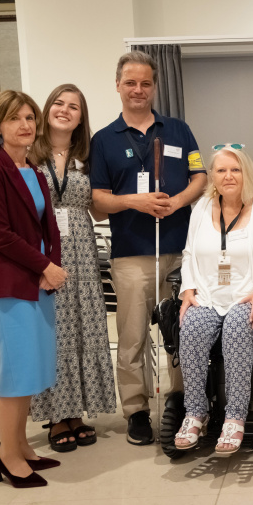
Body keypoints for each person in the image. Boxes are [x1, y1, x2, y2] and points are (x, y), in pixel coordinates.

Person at [0, 85, 118, 452]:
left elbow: (97, 205)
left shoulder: (88, 155)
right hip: (35, 258)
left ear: (82, 117)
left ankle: (77, 410)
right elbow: (5, 213)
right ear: (48, 109)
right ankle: (54, 415)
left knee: (83, 330)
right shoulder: (23, 156)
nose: (65, 111)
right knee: (52, 337)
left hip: (79, 250)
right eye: (58, 104)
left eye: (74, 106)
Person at [90, 51, 207, 445]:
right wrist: (133, 202)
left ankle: (181, 402)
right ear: (118, 86)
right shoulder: (104, 140)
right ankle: (137, 411)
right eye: (130, 83)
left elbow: (200, 176)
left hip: (179, 252)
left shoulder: (177, 130)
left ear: (154, 87)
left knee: (182, 331)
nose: (138, 90)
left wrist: (177, 202)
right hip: (131, 254)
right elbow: (97, 202)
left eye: (145, 83)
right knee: (133, 338)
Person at [0, 90, 67, 488]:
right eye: (14, 119)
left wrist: (52, 268)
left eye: (29, 117)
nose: (25, 125)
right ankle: (7, 455)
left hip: (38, 282)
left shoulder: (35, 169)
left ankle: (20, 444)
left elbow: (49, 227)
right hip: (9, 284)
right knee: (13, 373)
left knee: (29, 370)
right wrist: (43, 265)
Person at [173, 144, 253, 455]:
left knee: (238, 329)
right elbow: (188, 255)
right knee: (191, 328)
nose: (228, 176)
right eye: (221, 170)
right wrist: (188, 289)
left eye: (235, 169)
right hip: (208, 296)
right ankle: (196, 412)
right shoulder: (200, 208)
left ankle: (235, 418)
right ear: (212, 175)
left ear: (246, 173)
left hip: (248, 297)